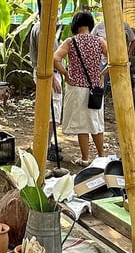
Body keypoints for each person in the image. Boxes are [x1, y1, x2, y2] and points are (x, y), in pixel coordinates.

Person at [53, 10, 109, 165]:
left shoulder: (70, 42)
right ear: (90, 25)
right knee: (96, 122)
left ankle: (85, 158)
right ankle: (101, 156)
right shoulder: (100, 41)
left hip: (76, 89)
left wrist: (65, 74)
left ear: (75, 25)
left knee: (82, 124)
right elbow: (114, 59)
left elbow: (55, 59)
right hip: (95, 89)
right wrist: (102, 73)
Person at [28, 19, 62, 161]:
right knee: (51, 113)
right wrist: (52, 78)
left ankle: (46, 144)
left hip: (47, 74)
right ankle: (45, 147)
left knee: (49, 111)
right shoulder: (43, 28)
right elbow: (46, 56)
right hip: (49, 74)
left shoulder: (41, 26)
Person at [93, 15, 135, 90]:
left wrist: (128, 54)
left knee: (121, 87)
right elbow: (91, 40)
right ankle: (100, 100)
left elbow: (133, 39)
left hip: (121, 61)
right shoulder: (99, 25)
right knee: (101, 86)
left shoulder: (124, 25)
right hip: (104, 60)